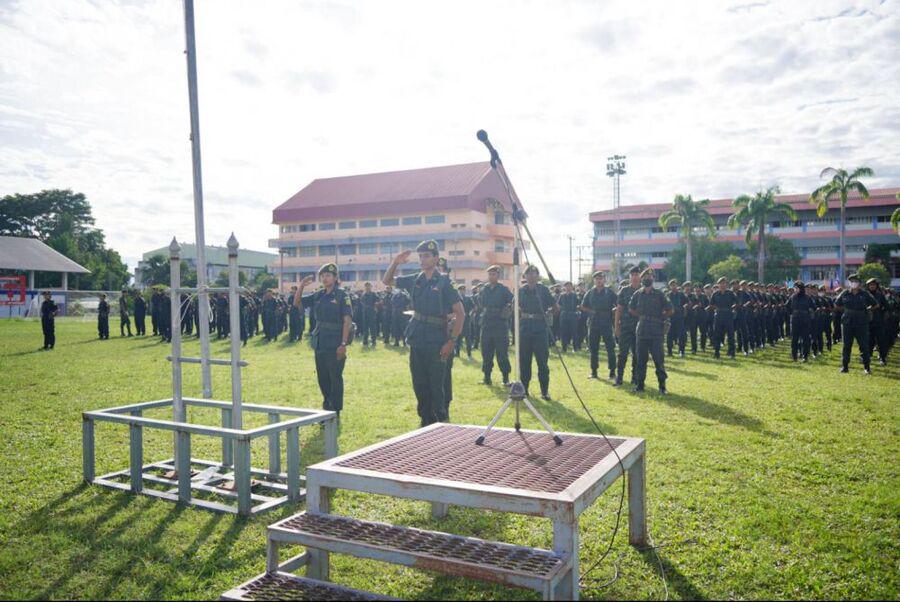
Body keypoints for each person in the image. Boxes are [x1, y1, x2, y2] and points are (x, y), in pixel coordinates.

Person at [383, 240, 464, 426]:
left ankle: (440, 419)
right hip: (417, 337)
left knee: (437, 383)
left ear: (436, 258)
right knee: (419, 382)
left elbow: (460, 313)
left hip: (437, 338)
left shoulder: (445, 282)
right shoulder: (415, 279)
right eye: (420, 256)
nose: (422, 259)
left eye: (426, 256)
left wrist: (451, 342)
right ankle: (425, 419)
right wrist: (395, 262)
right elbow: (387, 281)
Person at [294, 263, 353, 417]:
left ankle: (335, 410)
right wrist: (301, 286)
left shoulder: (342, 295)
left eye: (328, 275)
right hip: (320, 341)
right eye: (322, 276)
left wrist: (343, 344)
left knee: (335, 376)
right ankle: (327, 408)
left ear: (335, 277)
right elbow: (297, 303)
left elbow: (347, 320)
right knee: (323, 377)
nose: (325, 278)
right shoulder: (318, 295)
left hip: (335, 342)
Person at [628, 269, 673, 394]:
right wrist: (642, 317)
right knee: (640, 360)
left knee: (659, 360)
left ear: (653, 278)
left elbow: (670, 310)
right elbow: (631, 309)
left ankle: (662, 386)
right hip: (642, 330)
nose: (647, 278)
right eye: (645, 277)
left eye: (650, 276)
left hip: (656, 331)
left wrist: (660, 318)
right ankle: (640, 385)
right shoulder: (637, 294)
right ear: (642, 279)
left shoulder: (659, 294)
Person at [518, 264, 558, 400]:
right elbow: (514, 307)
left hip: (540, 329)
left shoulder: (543, 290)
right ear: (525, 276)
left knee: (542, 362)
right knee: (524, 362)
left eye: (534, 273)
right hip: (525, 328)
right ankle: (524, 390)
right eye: (528, 273)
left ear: (538, 276)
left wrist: (547, 313)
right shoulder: (521, 291)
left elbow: (556, 307)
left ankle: (544, 391)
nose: (531, 276)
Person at [477, 265, 513, 385]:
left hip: (500, 324)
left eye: (494, 274)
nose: (491, 276)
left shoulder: (503, 289)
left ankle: (505, 378)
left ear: (498, 275)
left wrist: (507, 310)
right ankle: (487, 377)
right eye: (490, 274)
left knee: (502, 352)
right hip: (487, 323)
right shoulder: (484, 289)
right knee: (486, 352)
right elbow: (480, 302)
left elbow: (512, 301)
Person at [835, 274, 876, 374]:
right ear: (849, 283)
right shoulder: (845, 293)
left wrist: (867, 310)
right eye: (851, 281)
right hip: (847, 322)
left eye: (855, 281)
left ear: (859, 283)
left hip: (861, 322)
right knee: (846, 345)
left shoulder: (864, 294)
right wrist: (846, 311)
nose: (853, 283)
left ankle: (867, 368)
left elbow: (875, 304)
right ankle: (845, 367)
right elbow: (837, 304)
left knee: (864, 345)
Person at [581, 271, 617, 379]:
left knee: (610, 348)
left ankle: (612, 372)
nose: (598, 280)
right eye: (596, 279)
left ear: (604, 280)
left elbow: (618, 304)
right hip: (593, 323)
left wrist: (613, 311)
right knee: (593, 349)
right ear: (594, 280)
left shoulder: (609, 292)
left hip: (606, 323)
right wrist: (591, 311)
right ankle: (594, 372)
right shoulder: (590, 293)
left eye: (600, 278)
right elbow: (583, 306)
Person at [614, 267, 642, 386]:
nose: (635, 277)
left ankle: (635, 378)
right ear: (630, 277)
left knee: (637, 354)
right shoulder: (624, 291)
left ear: (640, 276)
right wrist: (616, 326)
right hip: (626, 327)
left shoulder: (643, 290)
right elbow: (619, 309)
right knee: (622, 354)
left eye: (637, 274)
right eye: (633, 275)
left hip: (640, 328)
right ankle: (619, 378)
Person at [786, 281, 813, 361]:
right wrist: (791, 313)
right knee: (794, 339)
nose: (795, 289)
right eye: (795, 288)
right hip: (795, 320)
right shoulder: (792, 297)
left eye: (796, 288)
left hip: (805, 320)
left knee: (805, 338)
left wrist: (809, 314)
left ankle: (805, 356)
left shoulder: (807, 297)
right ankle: (794, 356)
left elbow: (813, 307)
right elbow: (787, 306)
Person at [710, 277, 737, 359]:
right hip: (718, 315)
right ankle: (716, 352)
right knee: (717, 334)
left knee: (730, 334)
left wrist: (733, 308)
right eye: (721, 283)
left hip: (728, 314)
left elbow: (737, 302)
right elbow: (711, 304)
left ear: (726, 284)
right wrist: (716, 308)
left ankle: (732, 352)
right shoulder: (715, 294)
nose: (722, 285)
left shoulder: (730, 293)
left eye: (724, 283)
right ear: (718, 285)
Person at [866, 278, 888, 366]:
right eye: (870, 285)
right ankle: (868, 357)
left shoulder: (880, 295)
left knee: (881, 341)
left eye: (874, 285)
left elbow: (886, 307)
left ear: (876, 286)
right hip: (868, 322)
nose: (872, 286)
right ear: (868, 286)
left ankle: (882, 358)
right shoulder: (865, 295)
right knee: (869, 341)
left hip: (879, 322)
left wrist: (882, 313)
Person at [666, 279, 687, 357]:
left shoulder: (681, 294)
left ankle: (681, 351)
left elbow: (687, 303)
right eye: (672, 285)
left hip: (679, 317)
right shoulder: (668, 295)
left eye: (674, 285)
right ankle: (669, 351)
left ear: (677, 285)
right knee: (669, 335)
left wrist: (684, 308)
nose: (673, 286)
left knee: (681, 335)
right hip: (670, 317)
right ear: (670, 286)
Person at [558, 281, 579, 352]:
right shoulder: (562, 295)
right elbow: (559, 305)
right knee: (563, 332)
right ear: (564, 287)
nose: (568, 287)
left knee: (574, 332)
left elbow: (579, 304)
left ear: (572, 287)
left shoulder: (575, 295)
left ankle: (575, 348)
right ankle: (564, 348)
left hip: (572, 315)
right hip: (564, 315)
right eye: (567, 286)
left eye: (570, 286)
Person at [360, 282, 379, 347]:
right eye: (366, 286)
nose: (367, 287)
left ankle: (373, 341)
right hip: (365, 311)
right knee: (365, 327)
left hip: (371, 311)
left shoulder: (373, 294)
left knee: (372, 327)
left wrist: (375, 307)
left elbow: (378, 300)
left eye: (368, 286)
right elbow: (362, 301)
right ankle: (365, 341)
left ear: (371, 287)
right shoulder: (363, 294)